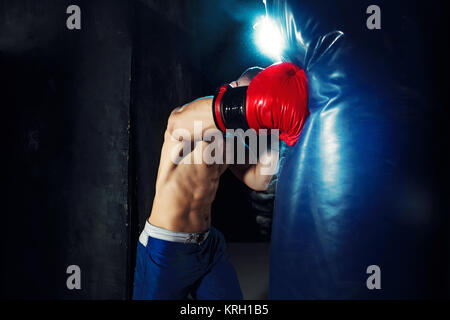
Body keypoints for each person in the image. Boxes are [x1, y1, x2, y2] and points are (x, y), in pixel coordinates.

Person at [133, 62, 309, 300]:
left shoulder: (231, 141)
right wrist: (247, 103)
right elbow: (177, 120)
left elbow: (257, 179)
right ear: (233, 88)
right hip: (167, 247)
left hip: (208, 245)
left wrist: (277, 130)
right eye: (252, 99)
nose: (253, 114)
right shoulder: (192, 122)